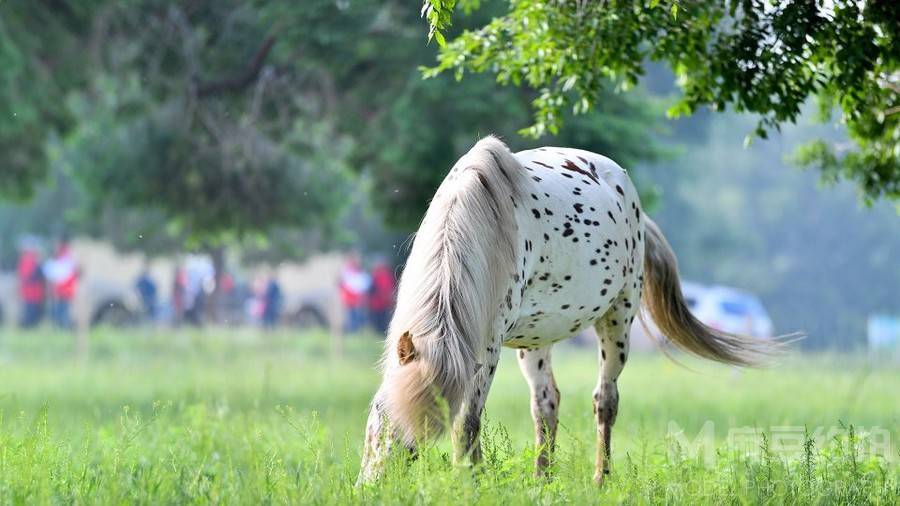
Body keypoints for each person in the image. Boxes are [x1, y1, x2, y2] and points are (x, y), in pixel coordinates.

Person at [43, 240, 78, 329]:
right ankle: (59, 328)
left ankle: (62, 328)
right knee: (58, 311)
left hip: (64, 292)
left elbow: (61, 277)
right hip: (59, 292)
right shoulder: (64, 262)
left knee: (62, 312)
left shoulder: (66, 262)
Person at [338, 253, 371, 333]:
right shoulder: (348, 271)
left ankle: (358, 333)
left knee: (357, 318)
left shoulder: (356, 270)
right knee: (354, 319)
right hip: (351, 299)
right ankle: (355, 333)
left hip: (356, 299)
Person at [17, 240, 45, 328]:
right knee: (31, 309)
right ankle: (29, 325)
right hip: (32, 291)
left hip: (31, 291)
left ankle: (29, 324)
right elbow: (30, 276)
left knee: (30, 308)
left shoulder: (26, 260)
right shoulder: (31, 260)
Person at [368, 259, 396, 334]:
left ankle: (379, 333)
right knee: (381, 320)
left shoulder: (378, 274)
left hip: (380, 302)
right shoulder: (382, 274)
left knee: (380, 320)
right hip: (380, 302)